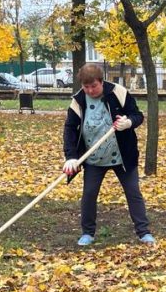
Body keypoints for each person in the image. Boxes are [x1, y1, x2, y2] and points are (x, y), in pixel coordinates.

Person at [62, 63, 156, 246]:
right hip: (94, 158)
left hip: (123, 156)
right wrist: (71, 157)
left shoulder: (118, 93)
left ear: (101, 82)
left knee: (133, 192)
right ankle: (87, 233)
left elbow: (137, 115)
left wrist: (128, 122)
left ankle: (143, 232)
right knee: (89, 194)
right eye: (86, 87)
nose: (90, 90)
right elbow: (70, 129)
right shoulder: (78, 101)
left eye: (94, 86)